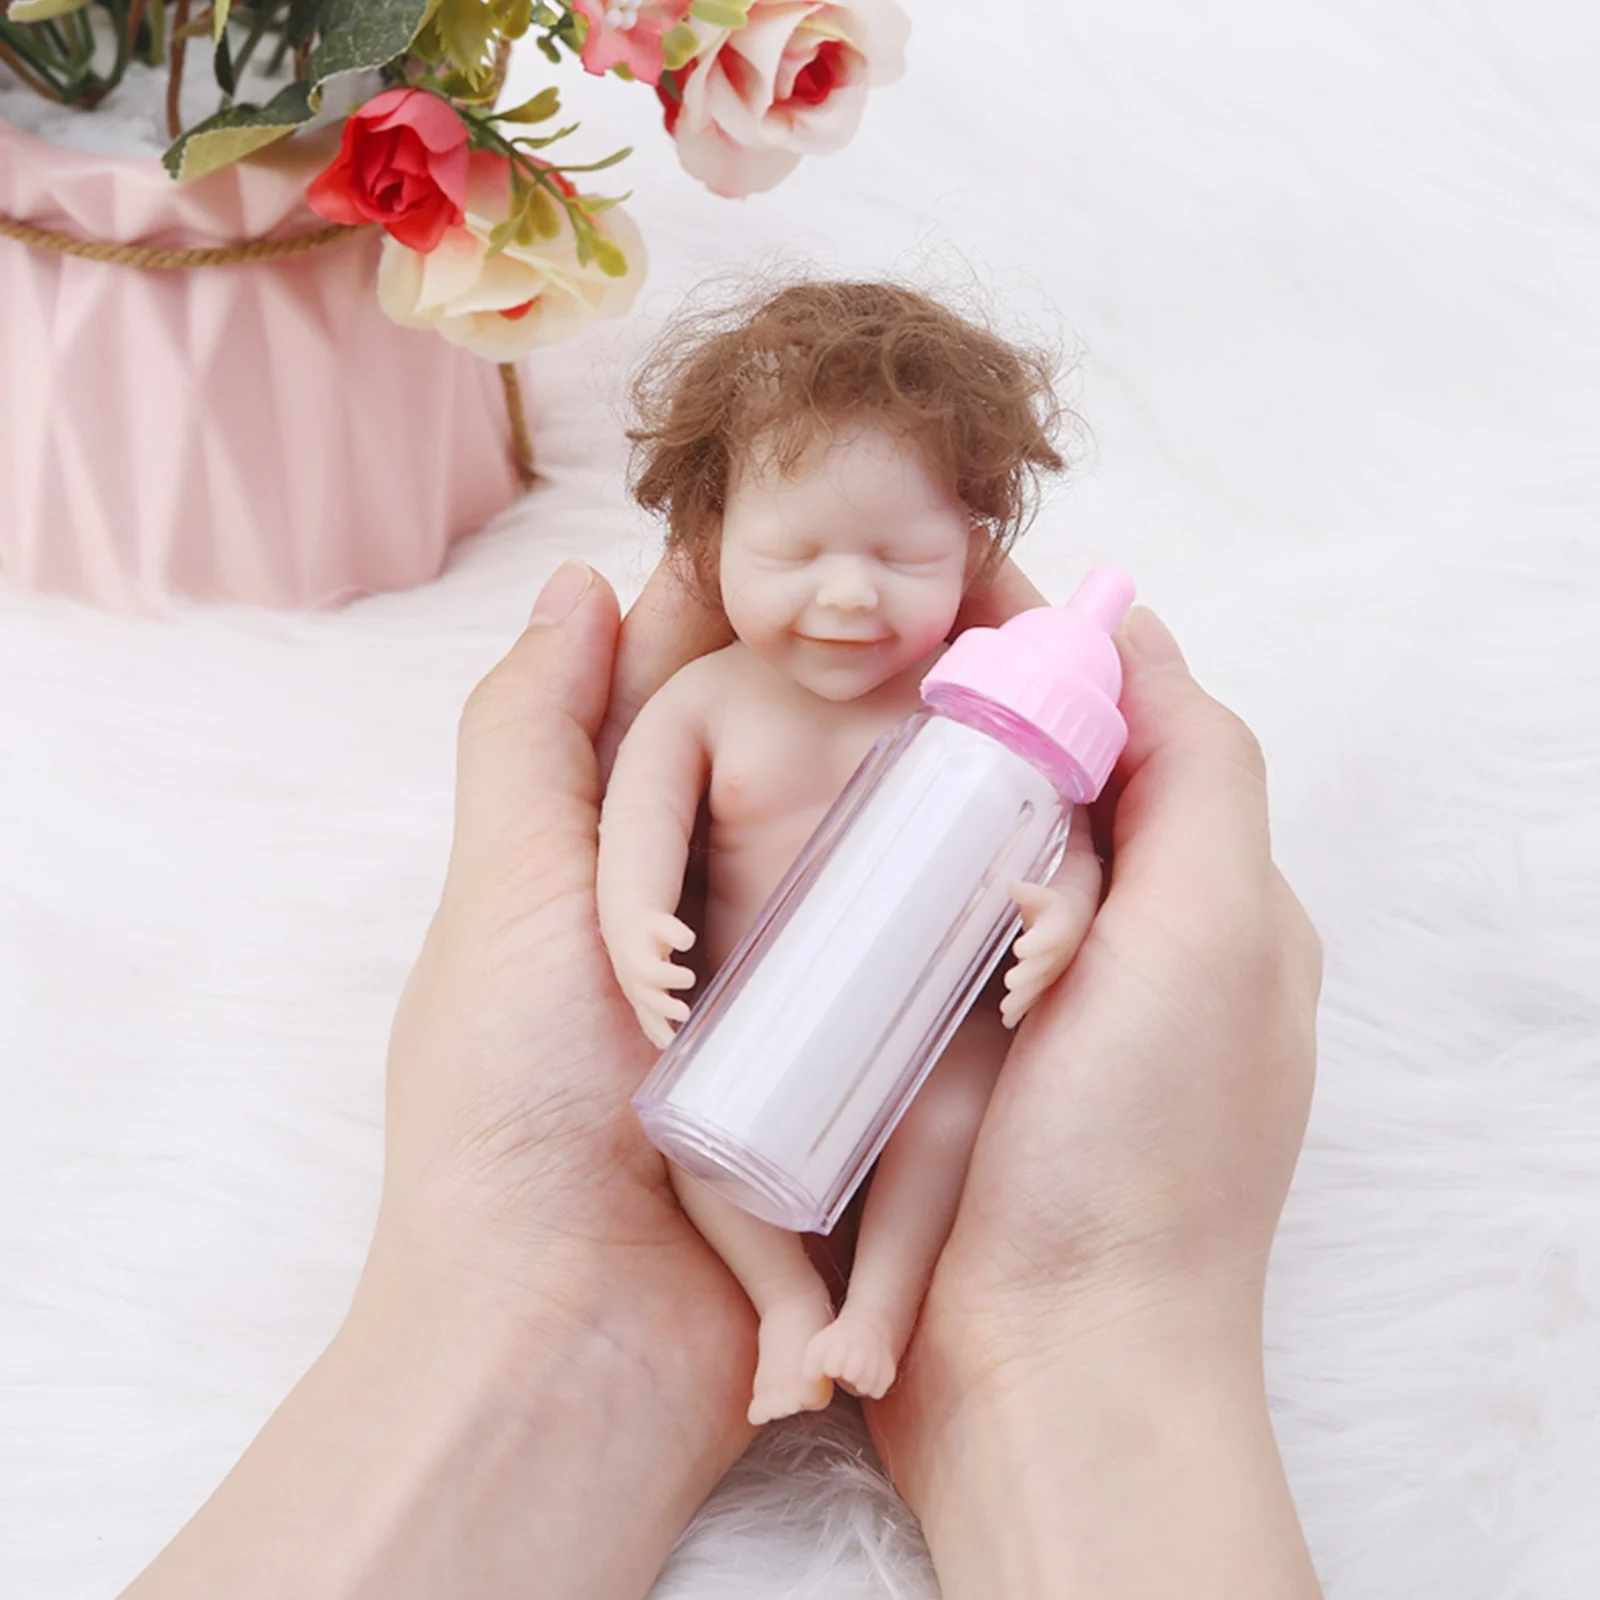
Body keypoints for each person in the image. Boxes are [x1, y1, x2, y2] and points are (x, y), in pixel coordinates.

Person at [119, 555, 1325, 1600]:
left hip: (930, 1041)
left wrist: (1060, 922)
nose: (846, 593)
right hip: (760, 1022)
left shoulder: (996, 763)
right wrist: (634, 918)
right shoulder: (711, 697)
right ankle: (787, 1303)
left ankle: (878, 1309)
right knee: (697, 1139)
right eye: (796, 550)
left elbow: (1069, 863)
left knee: (951, 1121)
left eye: (897, 556)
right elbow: (637, 824)